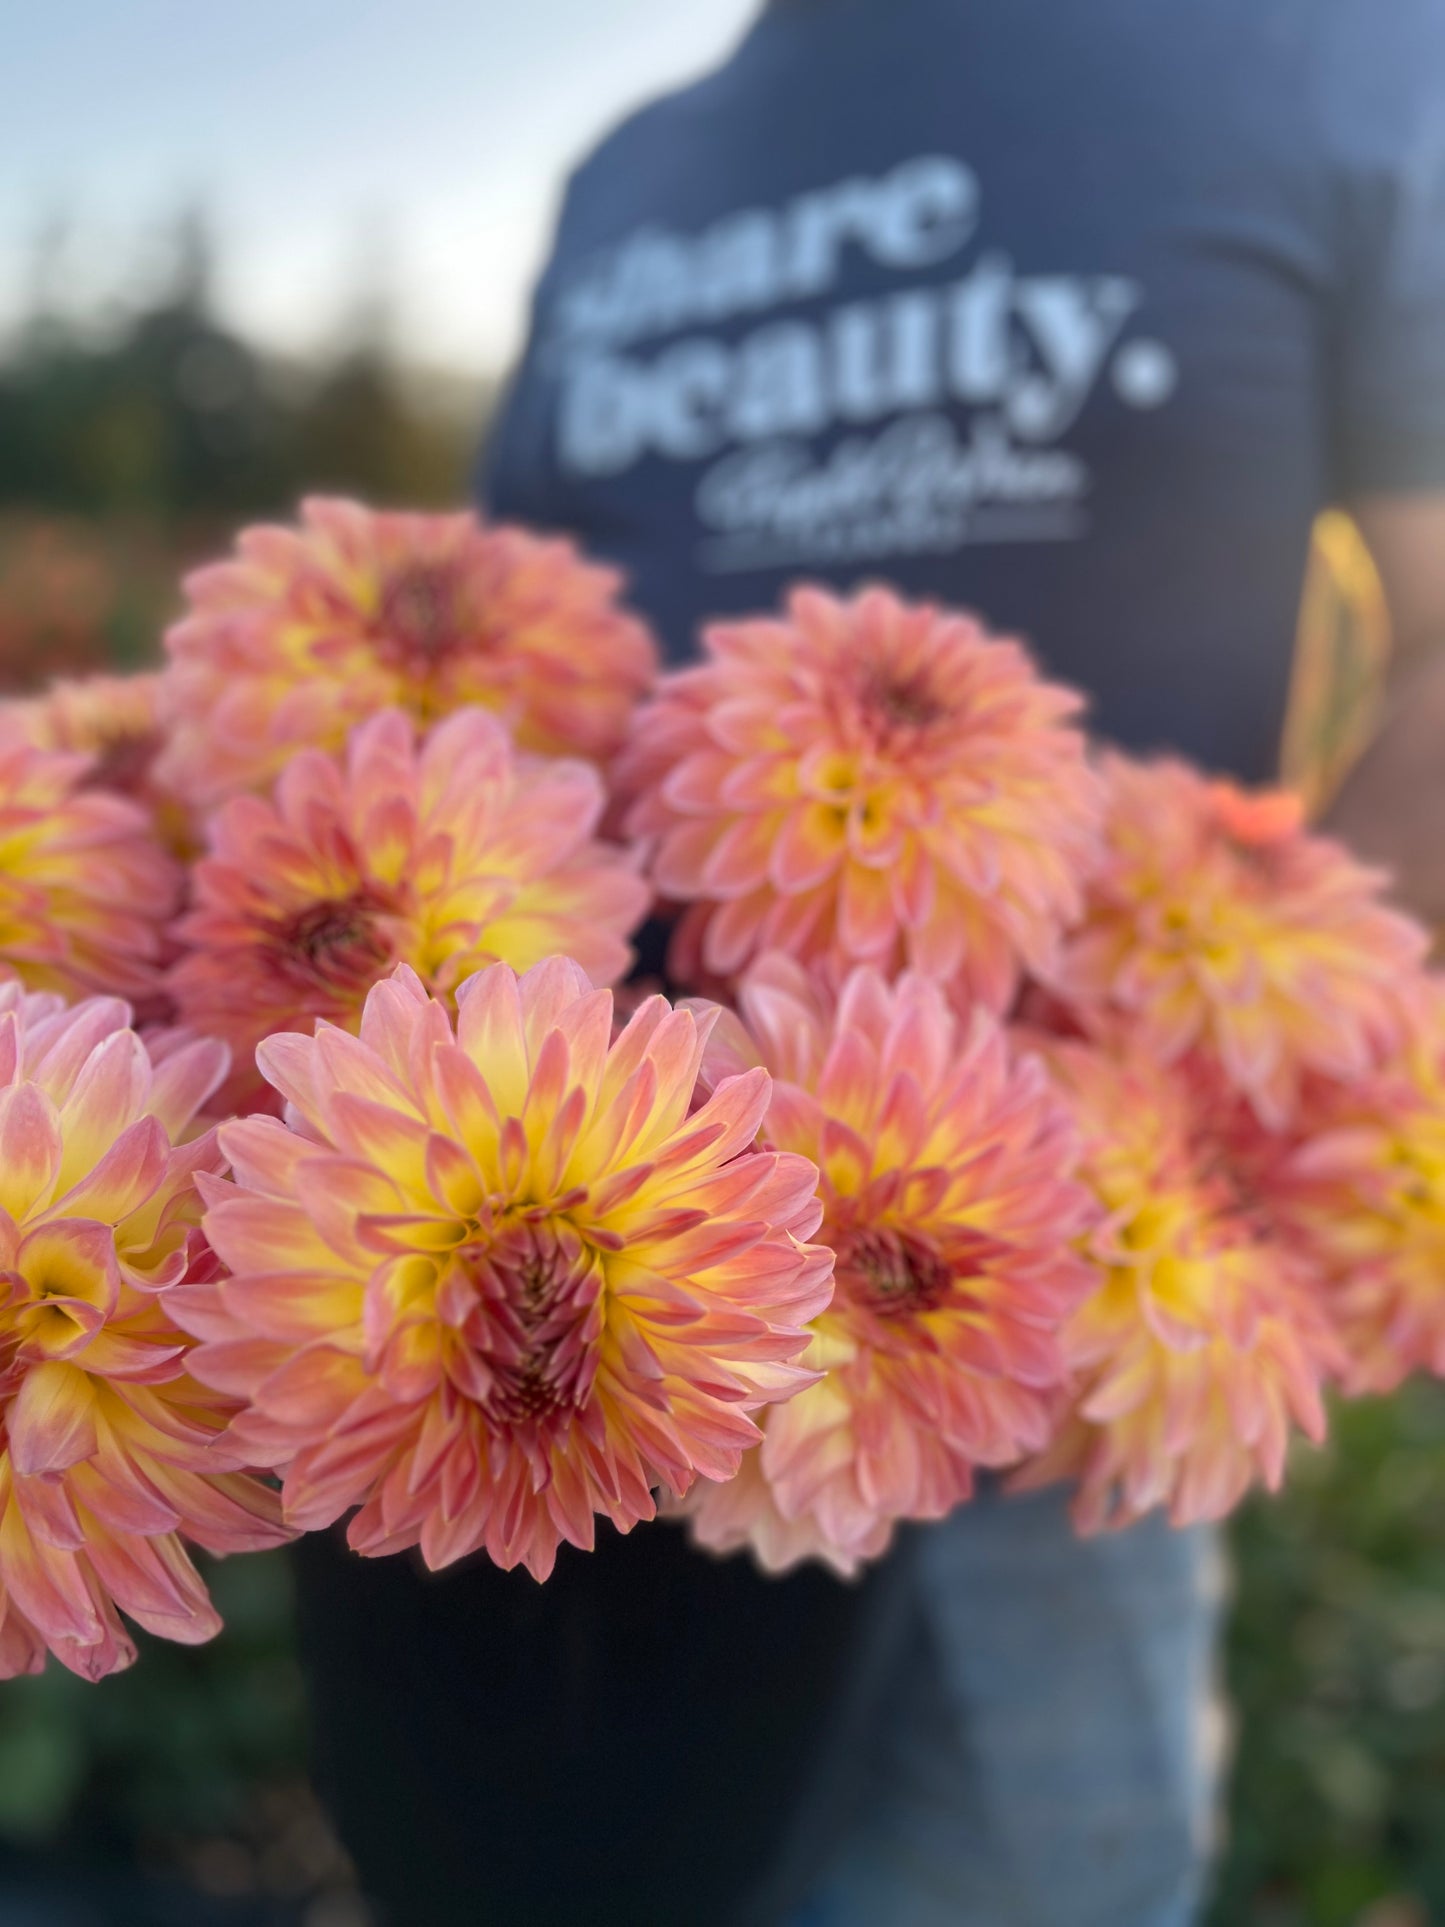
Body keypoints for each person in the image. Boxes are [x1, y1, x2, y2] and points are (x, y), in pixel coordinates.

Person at [295, 2, 1445, 1921]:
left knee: (1024, 1878)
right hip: (528, 1257)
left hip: (1031, 1294)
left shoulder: (1328, 53)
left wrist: (1258, 1122)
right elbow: (498, 643)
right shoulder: (636, 166)